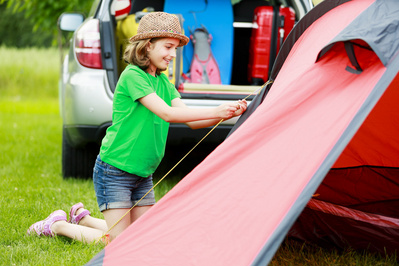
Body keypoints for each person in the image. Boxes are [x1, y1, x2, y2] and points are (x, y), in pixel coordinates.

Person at [27, 12, 247, 244]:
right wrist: (216, 111)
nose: (173, 54)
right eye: (168, 47)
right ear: (147, 46)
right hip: (115, 172)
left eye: (176, 49)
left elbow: (190, 120)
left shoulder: (164, 83)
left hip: (142, 173)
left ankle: (83, 219)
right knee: (117, 242)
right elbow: (167, 113)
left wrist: (227, 114)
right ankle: (58, 225)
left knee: (143, 236)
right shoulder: (132, 76)